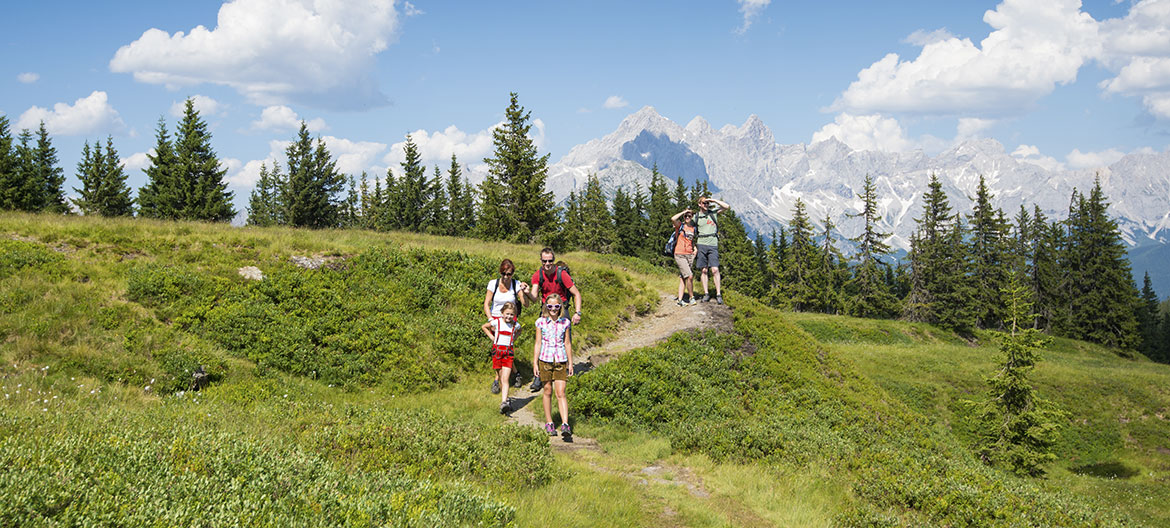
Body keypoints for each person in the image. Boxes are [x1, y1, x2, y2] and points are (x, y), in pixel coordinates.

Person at [533, 294, 574, 440]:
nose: (553, 309)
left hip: (561, 359)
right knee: (547, 390)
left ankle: (565, 424)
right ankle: (549, 422)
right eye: (550, 306)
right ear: (546, 307)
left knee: (561, 391)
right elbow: (538, 343)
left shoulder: (565, 323)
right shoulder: (540, 322)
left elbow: (567, 343)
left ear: (560, 307)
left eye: (556, 306)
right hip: (545, 358)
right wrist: (535, 362)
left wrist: (570, 362)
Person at [484, 259, 528, 392]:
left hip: (509, 320)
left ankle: (498, 381)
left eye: (509, 274)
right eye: (503, 273)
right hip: (496, 320)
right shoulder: (493, 283)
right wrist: (491, 319)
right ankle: (514, 375)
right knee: (498, 350)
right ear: (500, 272)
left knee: (505, 349)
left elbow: (525, 304)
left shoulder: (516, 284)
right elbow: (486, 303)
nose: (506, 277)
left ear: (513, 273)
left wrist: (524, 292)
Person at [482, 302, 520, 414]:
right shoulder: (497, 322)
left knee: (505, 378)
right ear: (502, 313)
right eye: (507, 314)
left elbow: (520, 330)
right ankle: (507, 399)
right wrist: (492, 337)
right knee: (500, 376)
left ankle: (504, 402)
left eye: (511, 315)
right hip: (497, 352)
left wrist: (514, 339)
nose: (509, 317)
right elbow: (484, 326)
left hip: (508, 353)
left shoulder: (515, 325)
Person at [527, 248, 581, 325]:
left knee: (564, 336)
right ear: (541, 260)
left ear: (554, 260)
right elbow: (534, 298)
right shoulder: (538, 275)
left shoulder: (562, 274)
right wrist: (527, 292)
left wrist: (577, 313)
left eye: (550, 261)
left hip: (561, 309)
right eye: (544, 261)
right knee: (544, 336)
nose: (547, 263)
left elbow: (576, 294)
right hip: (546, 309)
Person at [694, 196, 729, 304]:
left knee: (715, 269)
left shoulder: (713, 213)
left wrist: (713, 200)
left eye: (707, 203)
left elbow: (727, 207)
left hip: (713, 244)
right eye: (704, 203)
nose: (706, 205)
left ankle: (718, 294)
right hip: (701, 244)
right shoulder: (696, 217)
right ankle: (706, 293)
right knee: (704, 270)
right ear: (699, 204)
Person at [670, 208, 699, 306]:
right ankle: (691, 297)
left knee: (683, 277)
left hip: (690, 255)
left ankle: (680, 300)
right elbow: (673, 218)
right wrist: (683, 211)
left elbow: (691, 240)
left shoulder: (693, 228)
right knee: (690, 276)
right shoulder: (680, 225)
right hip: (679, 254)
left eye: (689, 216)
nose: (687, 217)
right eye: (685, 216)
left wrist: (695, 249)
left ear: (692, 217)